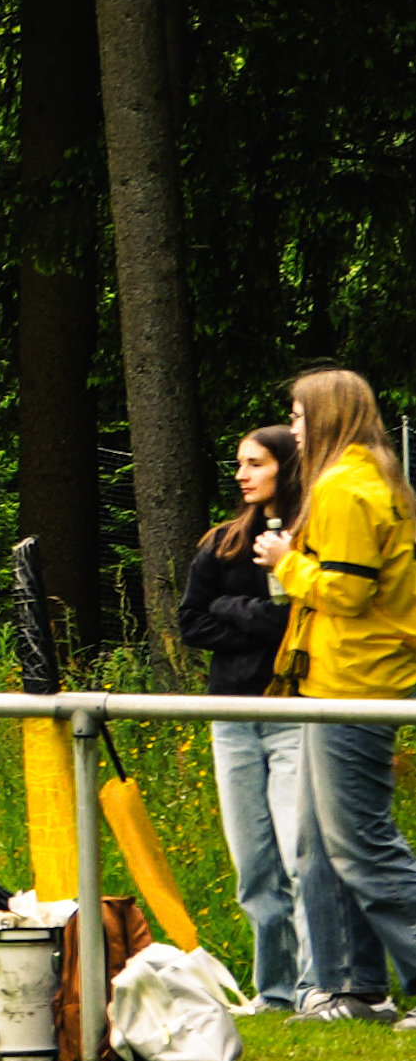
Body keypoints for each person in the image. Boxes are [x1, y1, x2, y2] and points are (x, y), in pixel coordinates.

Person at [263, 366, 416, 1025]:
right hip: (333, 680)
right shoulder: (363, 480)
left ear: (324, 417)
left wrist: (284, 563)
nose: (292, 430)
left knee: (359, 844)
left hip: (353, 681)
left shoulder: (344, 487)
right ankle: (350, 990)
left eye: (296, 417)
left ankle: (359, 984)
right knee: (317, 845)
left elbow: (349, 593)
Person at [180, 423, 341, 1014]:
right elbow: (192, 623)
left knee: (302, 858)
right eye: (240, 463)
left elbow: (302, 618)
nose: (242, 474)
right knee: (253, 866)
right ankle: (272, 992)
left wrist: (235, 612)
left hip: (295, 713)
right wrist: (252, 612)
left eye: (256, 464)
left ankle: (314, 988)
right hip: (232, 717)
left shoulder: (311, 539)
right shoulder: (222, 542)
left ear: (287, 469)